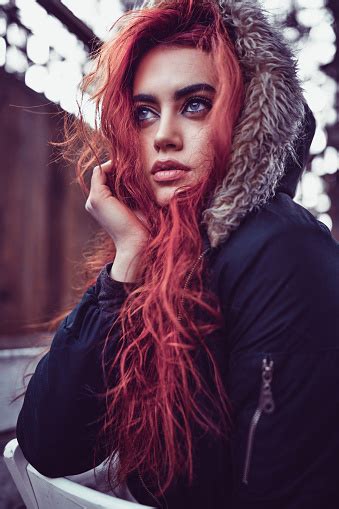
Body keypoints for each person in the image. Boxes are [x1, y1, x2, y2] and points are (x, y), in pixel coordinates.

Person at [16, 0, 339, 508]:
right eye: (144, 113)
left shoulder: (282, 252)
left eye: (194, 104)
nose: (163, 136)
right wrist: (127, 263)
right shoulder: (161, 252)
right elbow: (50, 446)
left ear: (247, 118)